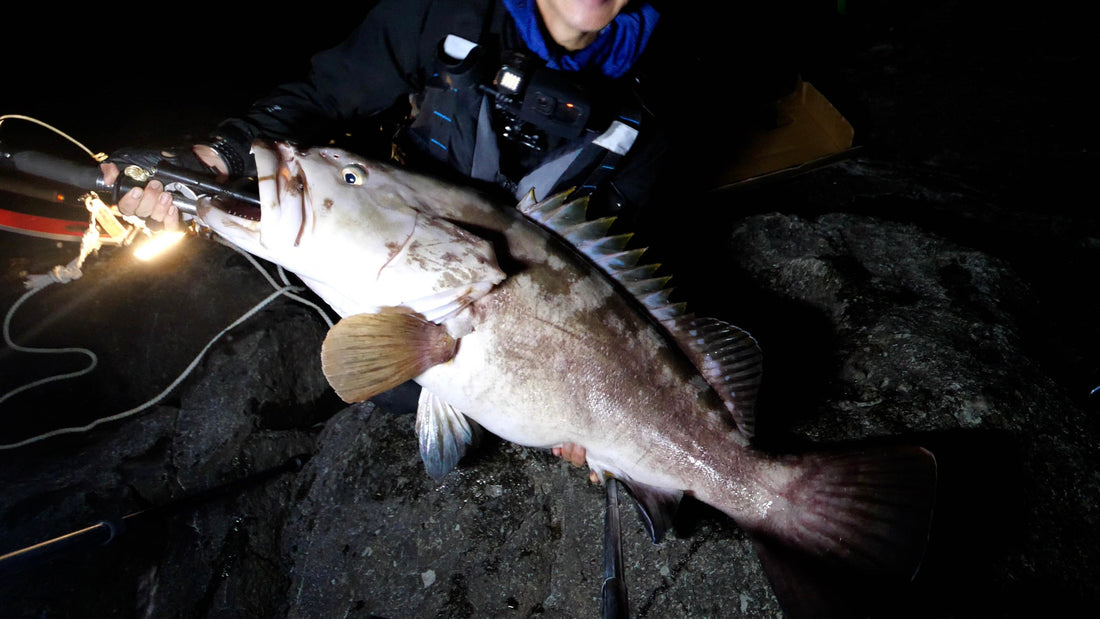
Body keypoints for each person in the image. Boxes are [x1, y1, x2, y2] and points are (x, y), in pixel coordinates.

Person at [101, 0, 669, 239]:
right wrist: (218, 156)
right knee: (391, 383)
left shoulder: (668, 84)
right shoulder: (442, 13)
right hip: (414, 229)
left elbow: (627, 241)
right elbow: (325, 94)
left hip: (541, 273)